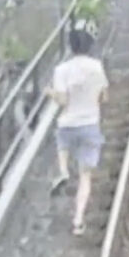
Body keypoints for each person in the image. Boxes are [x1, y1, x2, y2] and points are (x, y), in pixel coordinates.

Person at [44, 26, 108, 236]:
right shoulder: (96, 67)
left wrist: (50, 93)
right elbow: (103, 97)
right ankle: (78, 220)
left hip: (67, 124)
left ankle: (63, 171)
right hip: (89, 124)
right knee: (85, 176)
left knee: (62, 144)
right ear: (89, 45)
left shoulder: (61, 70)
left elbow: (63, 100)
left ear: (71, 47)